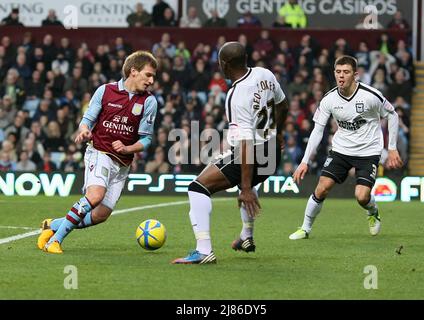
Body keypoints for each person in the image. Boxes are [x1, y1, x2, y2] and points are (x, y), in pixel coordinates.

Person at [173, 42, 288, 264]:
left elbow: (245, 143)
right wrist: (279, 133)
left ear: (224, 65)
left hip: (254, 151)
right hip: (272, 151)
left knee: (197, 187)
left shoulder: (236, 96)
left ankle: (204, 251)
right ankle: (246, 236)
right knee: (242, 177)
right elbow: (282, 105)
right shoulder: (265, 73)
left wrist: (245, 189)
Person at [37, 51, 159, 254]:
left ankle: (53, 224)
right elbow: (87, 119)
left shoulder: (149, 102)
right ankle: (55, 241)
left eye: (153, 76)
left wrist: (128, 148)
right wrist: (84, 129)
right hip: (99, 152)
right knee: (95, 196)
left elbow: (146, 138)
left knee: (101, 215)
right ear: (133, 71)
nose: (151, 80)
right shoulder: (105, 91)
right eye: (148, 75)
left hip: (122, 164)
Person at [288, 56, 403, 241]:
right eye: (338, 72)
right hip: (341, 150)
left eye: (346, 72)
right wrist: (304, 162)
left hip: (368, 151)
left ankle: (373, 211)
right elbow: (317, 130)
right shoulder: (329, 99)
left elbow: (392, 115)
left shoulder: (370, 95)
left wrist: (392, 148)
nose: (341, 76)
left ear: (355, 75)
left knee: (361, 197)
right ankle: (305, 228)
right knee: (322, 188)